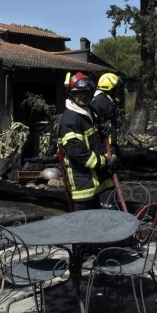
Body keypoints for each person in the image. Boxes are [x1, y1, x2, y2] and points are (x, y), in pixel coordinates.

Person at [58, 72, 117, 210]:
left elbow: (101, 142)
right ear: (71, 94)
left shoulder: (90, 111)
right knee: (87, 227)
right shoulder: (70, 119)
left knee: (111, 222)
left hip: (102, 180)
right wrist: (105, 161)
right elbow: (79, 153)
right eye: (79, 93)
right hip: (84, 186)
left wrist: (111, 154)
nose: (83, 96)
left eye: (86, 92)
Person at [90, 72, 122, 157]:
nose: (118, 91)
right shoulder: (103, 102)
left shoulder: (103, 100)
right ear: (111, 89)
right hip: (104, 148)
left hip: (106, 146)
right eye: (116, 88)